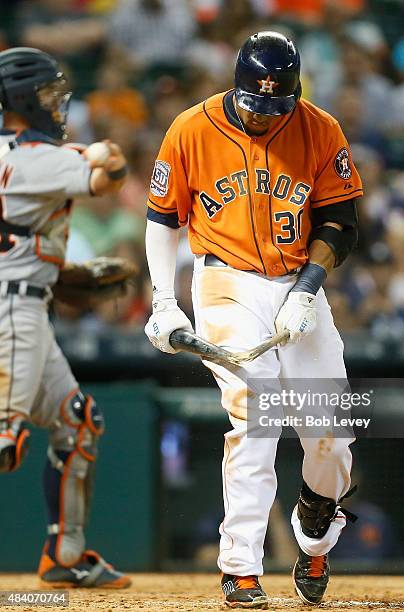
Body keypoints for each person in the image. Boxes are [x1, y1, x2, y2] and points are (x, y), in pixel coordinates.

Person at [144, 31, 363, 608]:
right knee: (256, 412)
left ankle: (316, 530)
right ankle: (240, 565)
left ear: (294, 94)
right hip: (224, 281)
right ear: (236, 85)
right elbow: (164, 219)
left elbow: (341, 223)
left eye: (276, 105)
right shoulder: (191, 127)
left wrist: (307, 290)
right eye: (253, 102)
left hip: (298, 283)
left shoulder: (320, 128)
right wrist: (163, 300)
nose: (263, 114)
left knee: (332, 435)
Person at [0, 47, 130, 588]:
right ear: (26, 100)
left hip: (25, 297)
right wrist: (103, 148)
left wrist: (62, 273)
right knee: (3, 441)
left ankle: (66, 555)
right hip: (12, 310)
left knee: (76, 420)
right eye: (50, 95)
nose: (59, 104)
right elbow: (110, 176)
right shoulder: (37, 157)